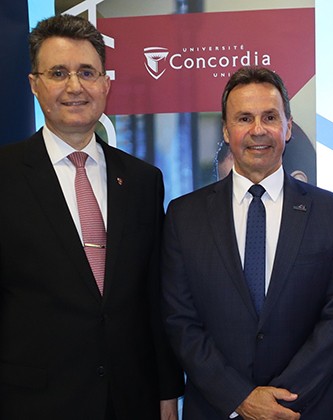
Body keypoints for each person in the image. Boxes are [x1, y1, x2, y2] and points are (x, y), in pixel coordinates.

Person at [0, 14, 184, 419]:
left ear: (105, 83)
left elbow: (155, 297)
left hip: (131, 399)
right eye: (58, 73)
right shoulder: (6, 175)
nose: (74, 86)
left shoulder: (142, 180)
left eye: (87, 72)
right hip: (31, 402)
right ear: (35, 84)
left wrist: (168, 390)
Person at [162, 66, 333, 419]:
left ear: (288, 126)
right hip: (218, 408)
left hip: (308, 408)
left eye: (270, 117)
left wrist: (277, 403)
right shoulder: (183, 216)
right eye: (244, 118)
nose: (257, 130)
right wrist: (240, 398)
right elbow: (180, 320)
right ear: (226, 129)